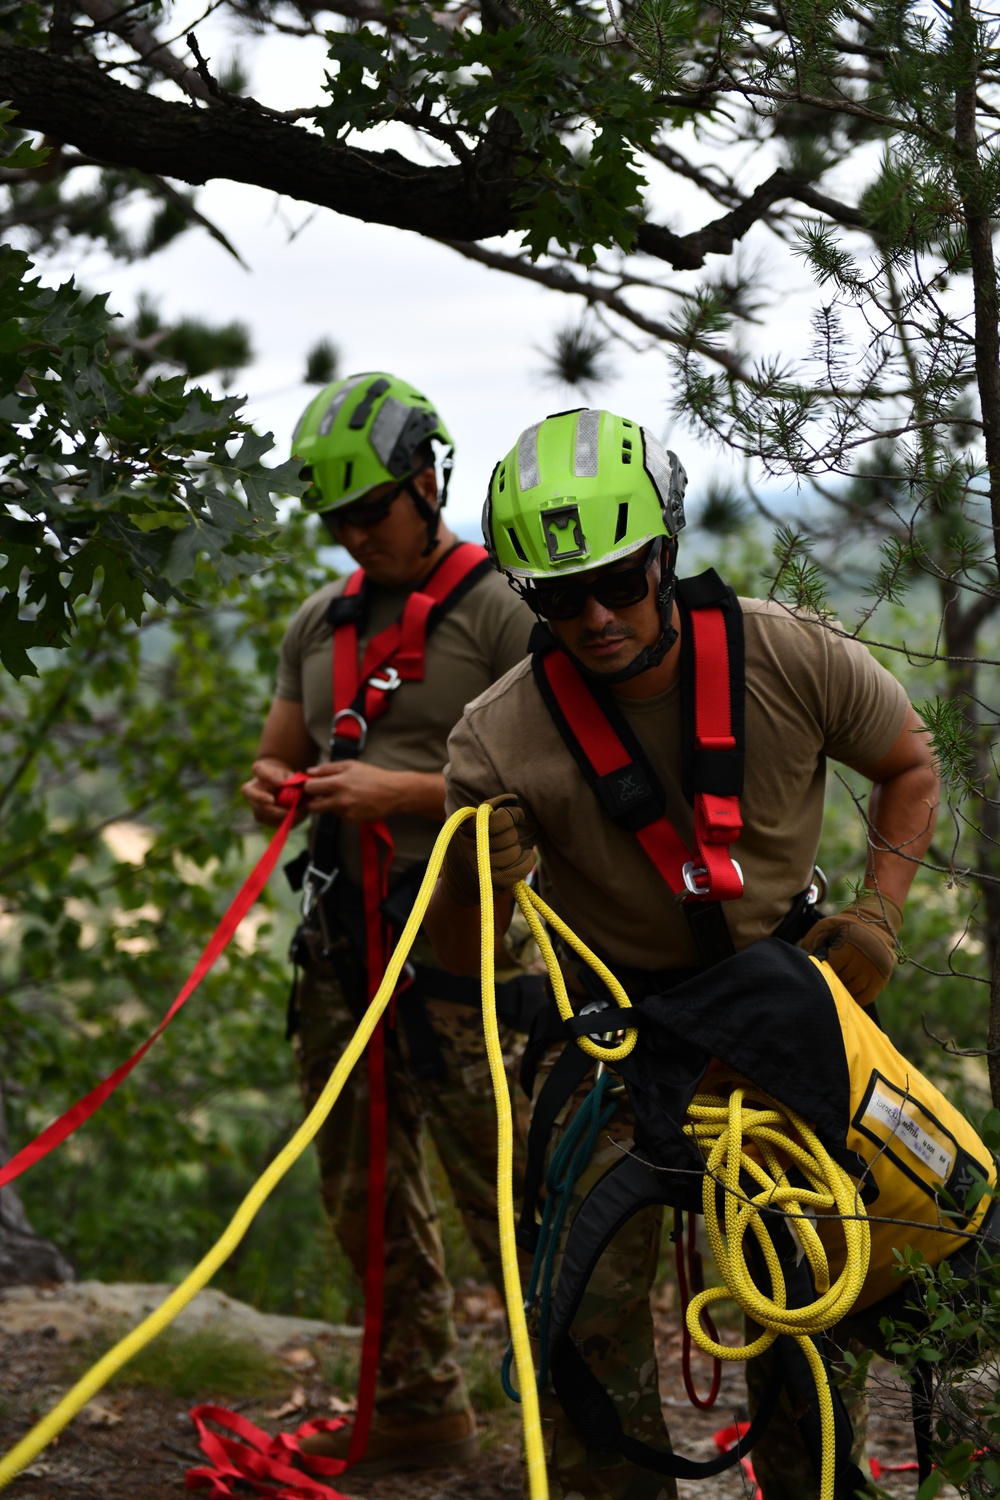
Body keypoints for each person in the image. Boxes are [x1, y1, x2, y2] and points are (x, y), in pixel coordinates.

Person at [425, 405, 940, 1500]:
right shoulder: (499, 733)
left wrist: (879, 914)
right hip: (620, 1036)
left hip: (785, 1008)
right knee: (579, 1330)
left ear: (665, 551)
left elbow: (908, 761)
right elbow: (466, 957)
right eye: (559, 598)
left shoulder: (786, 653)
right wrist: (485, 877)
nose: (598, 617)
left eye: (622, 580)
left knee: (811, 1317)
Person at [241, 372, 537, 1475]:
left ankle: (570, 1414)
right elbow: (280, 750)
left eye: (374, 510)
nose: (357, 534)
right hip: (343, 937)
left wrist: (398, 794)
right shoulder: (320, 622)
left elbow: (557, 784)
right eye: (339, 520)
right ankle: (417, 1402)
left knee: (505, 1186)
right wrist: (278, 785)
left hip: (467, 940)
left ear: (428, 480)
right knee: (364, 1183)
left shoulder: (508, 609)